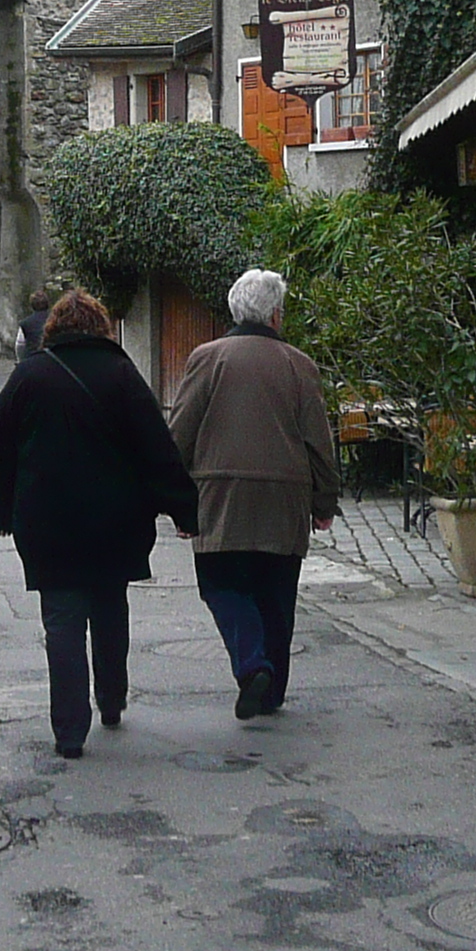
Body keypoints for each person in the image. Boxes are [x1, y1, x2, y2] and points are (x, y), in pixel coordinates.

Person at [0, 289, 192, 757]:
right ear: (100, 327)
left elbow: (1, 445)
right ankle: (112, 697)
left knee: (61, 620)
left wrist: (2, 509)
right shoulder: (121, 373)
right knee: (109, 605)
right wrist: (184, 508)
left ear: (54, 328)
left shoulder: (29, 375)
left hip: (47, 519)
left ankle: (69, 730)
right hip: (113, 518)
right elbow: (155, 446)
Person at [166, 268, 341, 720]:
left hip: (221, 494)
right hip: (284, 497)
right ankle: (272, 689)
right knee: (276, 593)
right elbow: (318, 441)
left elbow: (181, 431)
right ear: (276, 316)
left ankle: (252, 665)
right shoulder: (299, 364)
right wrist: (324, 502)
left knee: (221, 585)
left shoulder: (207, 358)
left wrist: (175, 498)